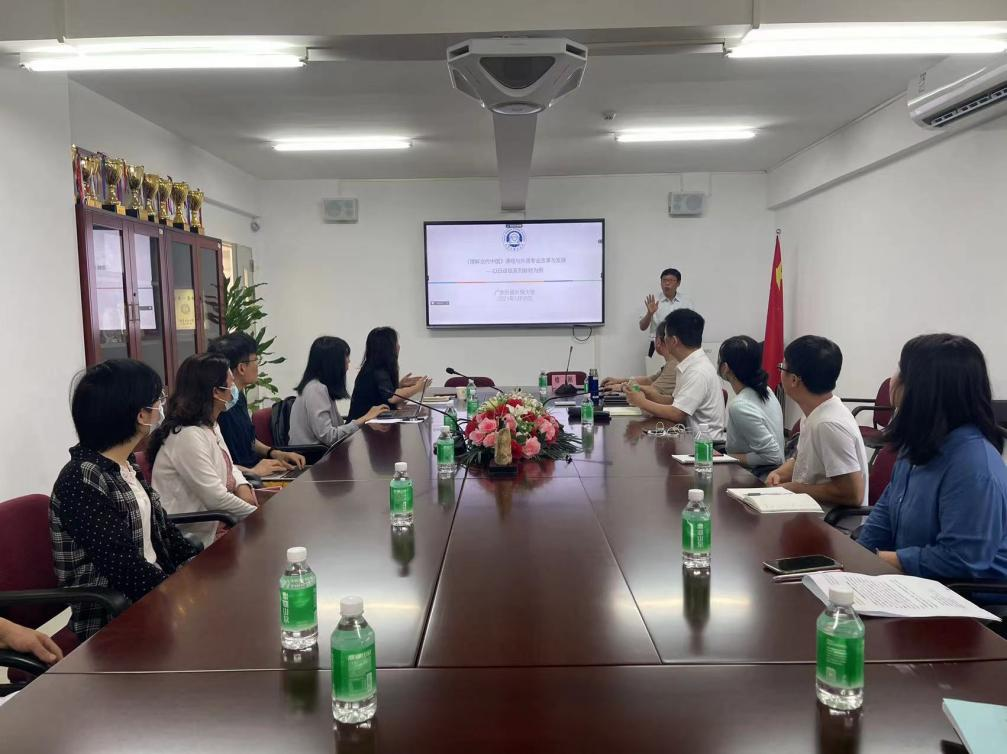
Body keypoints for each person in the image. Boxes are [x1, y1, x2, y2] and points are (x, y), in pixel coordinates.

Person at [50, 359, 201, 640]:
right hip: (115, 617)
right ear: (141, 415)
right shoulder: (81, 479)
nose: (162, 405)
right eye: (158, 399)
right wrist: (179, 594)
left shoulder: (124, 464)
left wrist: (198, 568)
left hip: (152, 595)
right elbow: (123, 567)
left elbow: (163, 531)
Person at [856, 334, 1007, 591]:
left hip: (967, 600)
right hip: (915, 584)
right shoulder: (918, 443)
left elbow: (961, 560)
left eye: (901, 370)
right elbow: (885, 513)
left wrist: (883, 560)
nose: (893, 379)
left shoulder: (974, 467)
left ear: (924, 391)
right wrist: (855, 559)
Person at [149, 353, 258, 548]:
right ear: (216, 392)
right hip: (194, 538)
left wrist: (242, 486)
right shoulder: (188, 435)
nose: (234, 389)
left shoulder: (210, 425)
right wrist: (258, 515)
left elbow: (229, 466)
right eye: (231, 384)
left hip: (220, 523)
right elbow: (215, 498)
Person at [767, 336, 869, 508]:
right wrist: (780, 473)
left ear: (794, 380)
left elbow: (853, 494)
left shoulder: (827, 424)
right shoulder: (815, 411)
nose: (780, 373)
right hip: (807, 510)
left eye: (782, 368)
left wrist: (795, 489)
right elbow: (805, 460)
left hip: (829, 521)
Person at [208, 332, 305, 475]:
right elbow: (219, 466)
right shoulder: (220, 405)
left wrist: (274, 453)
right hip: (243, 477)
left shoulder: (238, 397)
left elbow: (249, 440)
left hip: (255, 471)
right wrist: (253, 472)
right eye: (256, 360)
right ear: (242, 368)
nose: (258, 366)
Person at [624, 308, 726, 441]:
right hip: (687, 439)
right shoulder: (688, 364)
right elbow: (675, 402)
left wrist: (641, 402)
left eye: (665, 336)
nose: (664, 340)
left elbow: (677, 413)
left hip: (705, 447)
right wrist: (647, 393)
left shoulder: (698, 371)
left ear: (673, 341)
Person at [289, 336, 389, 445]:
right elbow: (329, 437)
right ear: (332, 362)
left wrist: (365, 421)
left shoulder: (320, 386)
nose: (349, 360)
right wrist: (364, 419)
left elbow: (335, 429)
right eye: (345, 356)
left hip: (321, 451)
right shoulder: (316, 389)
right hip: (313, 453)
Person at [718, 335, 785, 475]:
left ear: (725, 368)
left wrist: (726, 457)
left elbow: (773, 456)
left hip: (756, 478)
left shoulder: (740, 406)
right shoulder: (766, 390)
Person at [347, 327, 430, 421]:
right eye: (396, 343)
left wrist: (400, 385)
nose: (399, 347)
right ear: (387, 348)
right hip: (363, 426)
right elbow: (392, 398)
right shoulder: (377, 370)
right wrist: (418, 387)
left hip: (374, 422)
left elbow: (383, 393)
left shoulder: (374, 367)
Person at [601, 320, 677, 397]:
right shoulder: (671, 363)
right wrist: (618, 381)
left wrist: (623, 387)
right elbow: (649, 380)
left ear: (658, 341)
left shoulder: (673, 365)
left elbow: (651, 390)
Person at [639, 268, 689, 374]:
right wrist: (649, 313)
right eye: (664, 280)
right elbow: (642, 327)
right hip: (658, 346)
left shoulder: (686, 302)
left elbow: (692, 326)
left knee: (679, 377)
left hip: (680, 346)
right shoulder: (653, 301)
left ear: (678, 283)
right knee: (655, 378)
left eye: (671, 280)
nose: (667, 283)